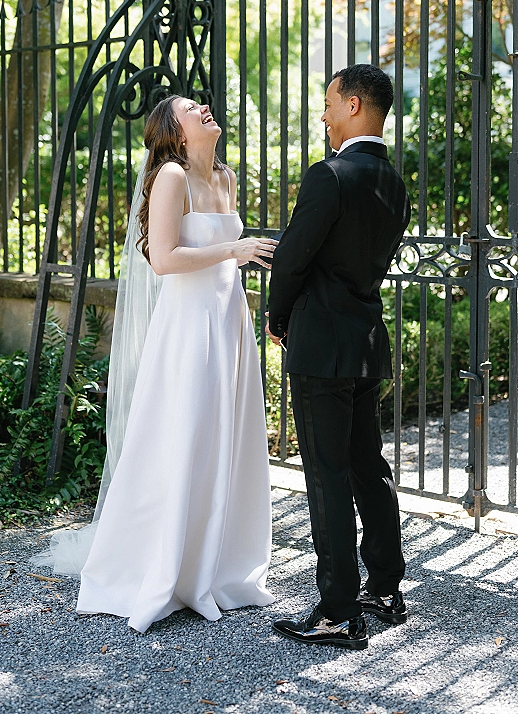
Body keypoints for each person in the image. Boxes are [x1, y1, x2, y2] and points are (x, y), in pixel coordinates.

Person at [34, 95, 277, 633]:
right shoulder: (170, 175)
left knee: (224, 439)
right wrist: (233, 251)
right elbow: (164, 259)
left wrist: (236, 266)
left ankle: (214, 566)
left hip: (226, 319)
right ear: (174, 128)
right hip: (188, 326)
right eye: (193, 107)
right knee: (182, 436)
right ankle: (163, 566)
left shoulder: (224, 175)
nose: (206, 108)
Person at [266, 64, 411, 650]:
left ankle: (336, 612)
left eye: (329, 104)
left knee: (326, 474)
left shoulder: (329, 176)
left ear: (354, 105)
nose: (323, 115)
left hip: (321, 345)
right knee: (367, 466)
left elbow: (293, 260)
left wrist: (277, 319)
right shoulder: (394, 183)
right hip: (366, 343)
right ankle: (384, 589)